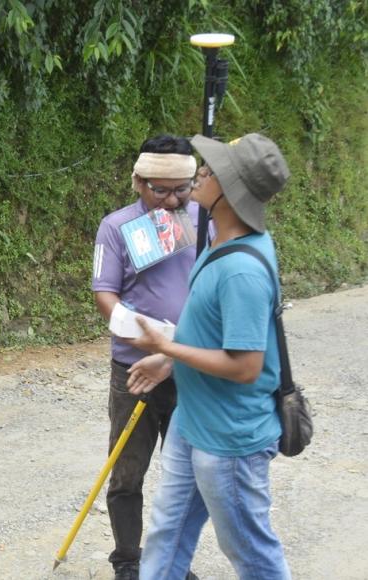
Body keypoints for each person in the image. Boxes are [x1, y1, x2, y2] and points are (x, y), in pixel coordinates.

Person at [127, 133, 292, 579]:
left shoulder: (240, 269)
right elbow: (208, 328)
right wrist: (169, 362)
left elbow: (246, 366)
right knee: (167, 532)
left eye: (212, 169)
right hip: (193, 419)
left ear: (232, 191)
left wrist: (165, 347)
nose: (201, 171)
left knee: (251, 552)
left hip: (229, 439)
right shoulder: (220, 239)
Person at [91, 135, 202, 580]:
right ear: (138, 180)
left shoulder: (206, 219)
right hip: (134, 368)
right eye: (160, 190)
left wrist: (178, 350)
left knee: (188, 475)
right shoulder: (116, 226)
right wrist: (154, 342)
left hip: (191, 367)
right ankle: (128, 559)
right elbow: (105, 295)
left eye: (182, 189)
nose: (172, 200)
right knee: (127, 472)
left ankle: (172, 562)